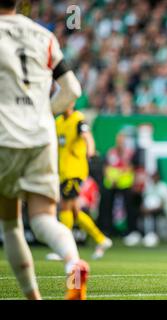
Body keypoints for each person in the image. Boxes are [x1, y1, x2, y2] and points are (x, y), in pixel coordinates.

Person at [0, 1, 88, 300]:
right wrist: (43, 115)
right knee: (44, 220)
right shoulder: (44, 36)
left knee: (12, 225)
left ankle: (33, 296)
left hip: (5, 136)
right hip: (41, 136)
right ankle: (73, 265)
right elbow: (73, 90)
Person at [46, 108, 112, 261]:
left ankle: (62, 248)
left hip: (74, 172)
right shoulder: (58, 121)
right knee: (75, 211)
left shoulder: (78, 119)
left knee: (64, 207)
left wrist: (91, 151)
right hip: (63, 172)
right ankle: (101, 239)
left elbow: (87, 136)